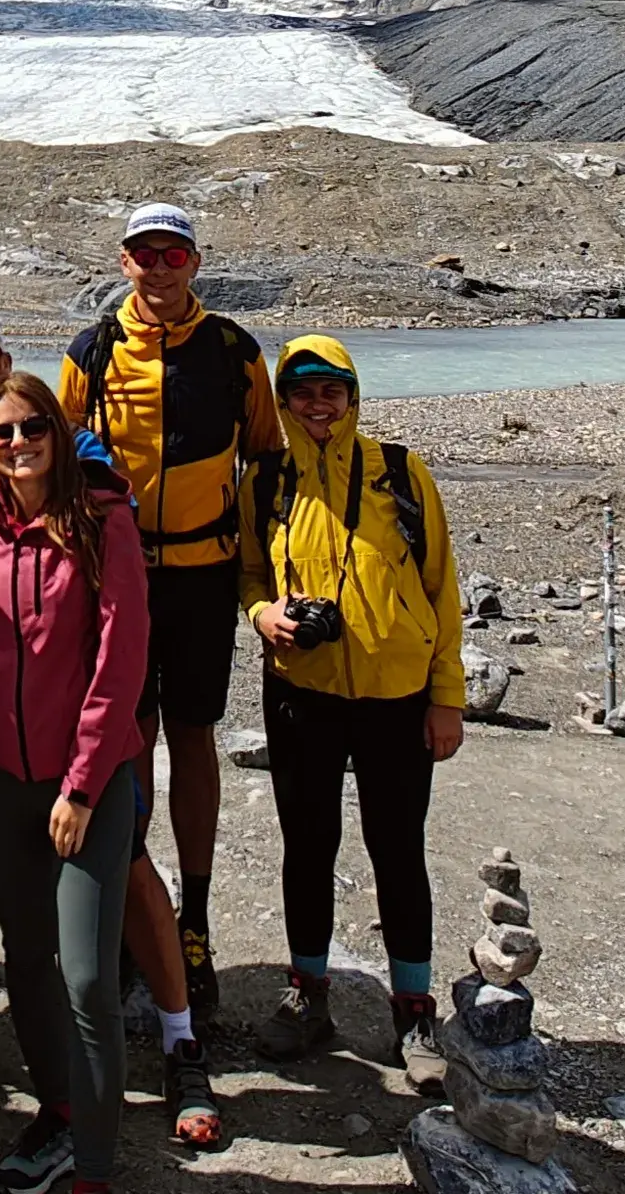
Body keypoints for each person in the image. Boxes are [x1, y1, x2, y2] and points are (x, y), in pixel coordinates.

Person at [52, 201, 277, 1147]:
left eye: (173, 252)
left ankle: (194, 915)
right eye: (145, 252)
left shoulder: (232, 350)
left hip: (202, 574)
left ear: (194, 260)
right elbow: (56, 455)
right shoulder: (93, 348)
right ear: (125, 261)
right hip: (119, 575)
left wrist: (270, 579)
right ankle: (130, 904)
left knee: (193, 734)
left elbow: (266, 460)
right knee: (127, 737)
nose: (159, 265)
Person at [0, 370, 149, 1194]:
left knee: (88, 979)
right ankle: (59, 1113)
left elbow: (120, 660)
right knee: (26, 958)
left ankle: (93, 1166)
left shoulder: (103, 520)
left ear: (58, 433)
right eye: (2, 433)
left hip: (86, 785)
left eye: (32, 428)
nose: (19, 443)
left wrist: (83, 786)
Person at [239, 335, 463, 1082]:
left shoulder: (400, 473)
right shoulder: (266, 481)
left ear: (353, 396)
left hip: (397, 698)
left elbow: (441, 588)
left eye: (331, 390)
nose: (318, 404)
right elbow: (248, 574)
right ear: (283, 402)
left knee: (397, 849)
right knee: (307, 846)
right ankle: (308, 992)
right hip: (301, 693)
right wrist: (264, 614)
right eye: (302, 392)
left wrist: (447, 698)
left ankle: (413, 1010)